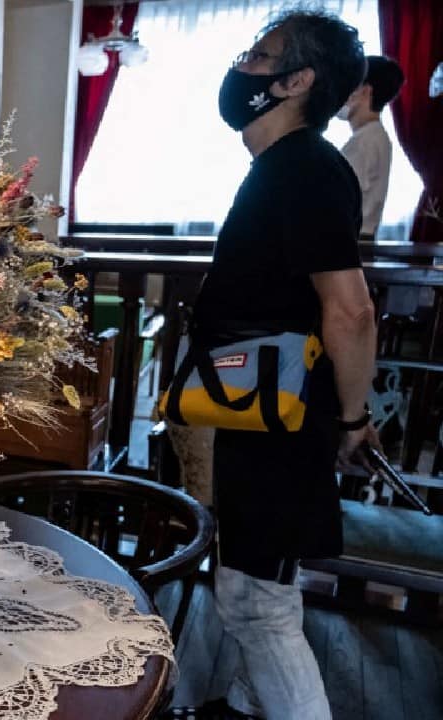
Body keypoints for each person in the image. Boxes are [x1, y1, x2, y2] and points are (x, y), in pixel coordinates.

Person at [186, 9, 379, 720]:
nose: (243, 66)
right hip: (264, 408)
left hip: (280, 416)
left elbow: (351, 310)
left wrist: (353, 421)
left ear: (297, 81)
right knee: (262, 583)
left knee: (255, 603)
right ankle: (245, 705)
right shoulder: (286, 167)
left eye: (259, 55)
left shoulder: (305, 169)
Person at [339, 55, 405, 239]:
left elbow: (339, 200)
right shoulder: (375, 136)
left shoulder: (365, 141)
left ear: (365, 91)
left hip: (351, 238)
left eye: (350, 84)